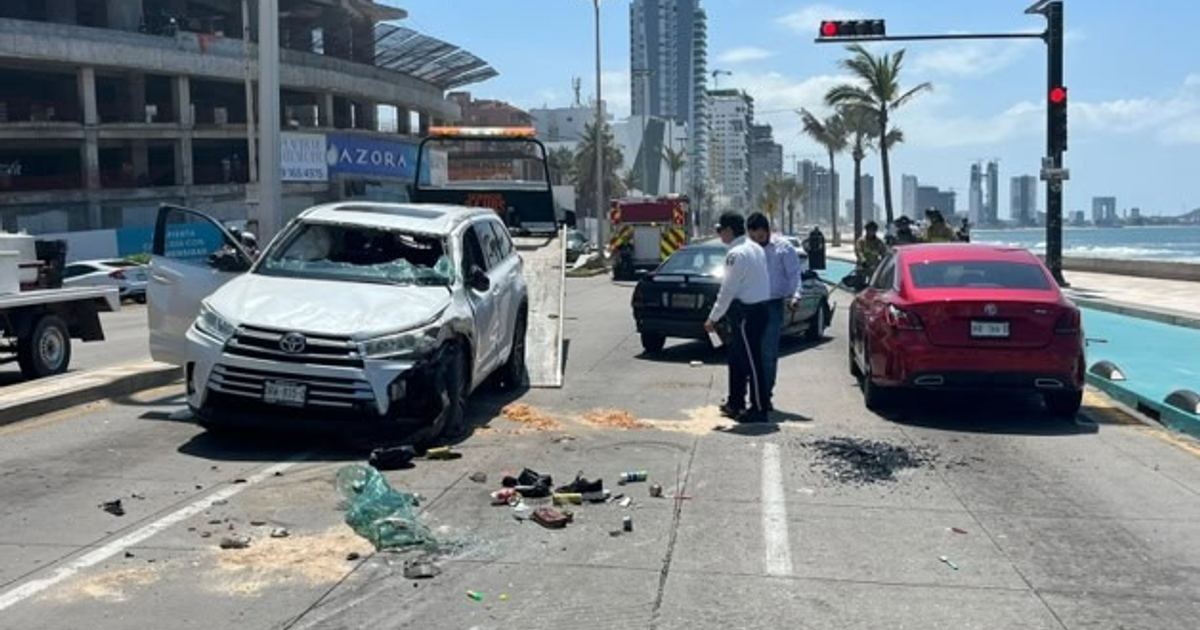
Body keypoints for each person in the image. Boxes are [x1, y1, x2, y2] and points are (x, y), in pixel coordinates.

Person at [704, 212, 771, 423]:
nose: (718, 234)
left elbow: (727, 289)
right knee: (737, 359)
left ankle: (758, 408)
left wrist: (713, 318)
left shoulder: (736, 254)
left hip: (747, 314)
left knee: (751, 362)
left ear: (729, 230)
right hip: (759, 309)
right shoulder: (755, 248)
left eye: (719, 230)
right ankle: (735, 402)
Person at [747, 212, 800, 413]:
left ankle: (765, 395)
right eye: (753, 238)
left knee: (768, 353)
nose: (757, 242)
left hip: (772, 305)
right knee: (750, 353)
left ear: (767, 231)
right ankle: (751, 396)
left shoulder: (783, 248)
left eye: (760, 237)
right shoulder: (748, 249)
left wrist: (795, 296)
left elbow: (794, 274)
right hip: (751, 304)